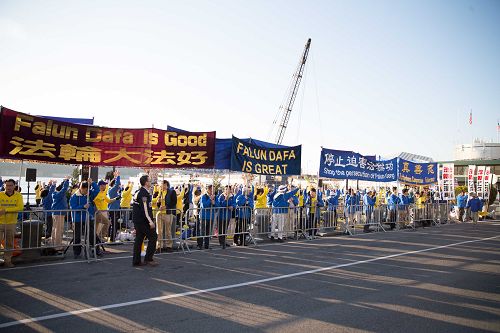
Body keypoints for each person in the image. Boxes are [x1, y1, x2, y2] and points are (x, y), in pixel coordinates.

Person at [132, 175, 158, 267]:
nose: (151, 182)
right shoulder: (143, 194)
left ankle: (136, 261)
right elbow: (145, 209)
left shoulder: (138, 191)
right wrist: (150, 222)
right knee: (153, 237)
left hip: (138, 220)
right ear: (146, 183)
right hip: (143, 221)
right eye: (150, 181)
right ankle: (148, 258)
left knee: (139, 240)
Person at [0, 179, 24, 267]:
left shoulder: (18, 196)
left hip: (11, 223)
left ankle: (8, 261)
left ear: (14, 186)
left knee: (9, 243)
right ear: (4, 186)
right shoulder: (0, 194)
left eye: (10, 185)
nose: (9, 187)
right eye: (7, 185)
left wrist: (5, 210)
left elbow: (20, 207)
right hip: (0, 222)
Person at [69, 181, 90, 259]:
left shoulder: (87, 196)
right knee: (77, 237)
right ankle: (76, 252)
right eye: (85, 190)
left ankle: (89, 250)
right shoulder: (74, 196)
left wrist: (92, 183)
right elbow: (73, 208)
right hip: (77, 219)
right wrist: (83, 206)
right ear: (81, 188)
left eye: (87, 190)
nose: (87, 191)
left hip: (86, 218)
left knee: (89, 235)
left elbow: (96, 191)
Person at [156, 180, 177, 252]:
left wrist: (166, 207)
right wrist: (158, 202)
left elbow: (174, 202)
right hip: (160, 213)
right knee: (159, 231)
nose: (161, 186)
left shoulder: (172, 192)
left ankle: (169, 246)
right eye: (161, 184)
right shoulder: (160, 192)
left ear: (166, 184)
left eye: (162, 184)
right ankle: (159, 246)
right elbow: (158, 204)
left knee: (168, 231)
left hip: (168, 213)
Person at [50, 177, 70, 250]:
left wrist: (53, 184)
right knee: (58, 230)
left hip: (56, 213)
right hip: (59, 213)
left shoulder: (54, 193)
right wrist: (67, 181)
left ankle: (53, 243)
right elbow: (64, 189)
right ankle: (57, 246)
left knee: (55, 229)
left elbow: (51, 190)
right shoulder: (59, 194)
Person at [198, 184, 216, 249]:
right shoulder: (204, 196)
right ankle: (200, 245)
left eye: (214, 190)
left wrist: (214, 203)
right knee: (202, 231)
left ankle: (206, 245)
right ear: (208, 189)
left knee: (208, 232)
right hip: (204, 216)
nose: (213, 191)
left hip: (211, 217)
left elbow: (217, 205)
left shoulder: (215, 196)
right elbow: (204, 205)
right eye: (212, 189)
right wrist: (210, 200)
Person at [107, 171, 122, 242]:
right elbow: (117, 184)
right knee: (114, 225)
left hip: (114, 209)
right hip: (113, 210)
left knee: (113, 225)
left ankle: (111, 238)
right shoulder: (112, 190)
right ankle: (112, 239)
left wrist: (115, 177)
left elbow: (117, 185)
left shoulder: (112, 191)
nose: (119, 186)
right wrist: (118, 176)